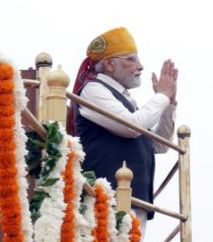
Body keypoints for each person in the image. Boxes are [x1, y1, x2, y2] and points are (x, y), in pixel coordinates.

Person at [72, 27, 178, 224]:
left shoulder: (126, 101)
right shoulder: (93, 90)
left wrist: (169, 103)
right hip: (106, 202)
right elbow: (131, 127)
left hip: (133, 202)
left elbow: (160, 145)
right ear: (110, 64)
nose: (140, 66)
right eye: (131, 59)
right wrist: (161, 95)